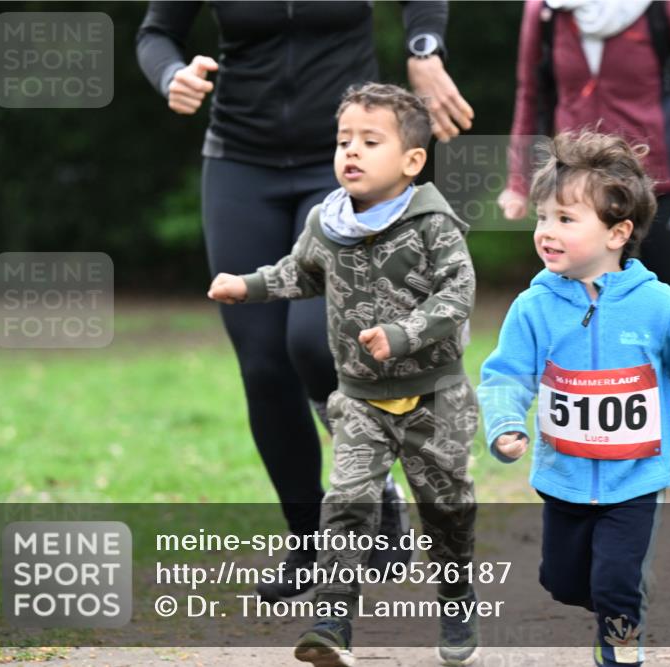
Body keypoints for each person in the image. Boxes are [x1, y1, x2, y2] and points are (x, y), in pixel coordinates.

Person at [136, 2, 475, 603]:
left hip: (343, 159)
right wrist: (171, 76)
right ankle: (308, 539)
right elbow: (156, 33)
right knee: (263, 365)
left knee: (313, 344)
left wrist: (424, 48)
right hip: (240, 163)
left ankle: (374, 482)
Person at [208, 83, 479, 667]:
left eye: (370, 141)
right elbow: (299, 272)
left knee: (446, 506)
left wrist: (402, 334)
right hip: (358, 398)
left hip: (434, 398)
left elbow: (457, 296)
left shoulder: (433, 224)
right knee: (348, 503)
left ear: (412, 161)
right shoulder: (326, 221)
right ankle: (332, 622)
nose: (351, 151)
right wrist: (246, 286)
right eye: (343, 140)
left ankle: (457, 598)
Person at [478, 130, 670, 667]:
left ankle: (621, 642)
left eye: (566, 219)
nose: (547, 231)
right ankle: (619, 590)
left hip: (635, 478)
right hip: (564, 475)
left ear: (618, 232)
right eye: (543, 217)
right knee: (563, 581)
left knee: (616, 580)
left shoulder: (659, 305)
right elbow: (505, 374)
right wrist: (505, 424)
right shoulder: (533, 307)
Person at [496, 0, 670, 492]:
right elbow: (532, 94)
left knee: (662, 312)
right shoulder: (546, 11)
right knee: (579, 306)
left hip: (668, 183)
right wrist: (520, 180)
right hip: (578, 196)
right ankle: (594, 436)